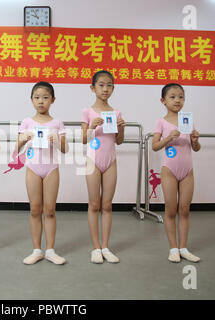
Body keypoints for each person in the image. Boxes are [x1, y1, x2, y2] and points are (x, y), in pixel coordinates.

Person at [17, 81, 69, 265]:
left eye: (45, 97)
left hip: (51, 169)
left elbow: (65, 150)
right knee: (34, 210)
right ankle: (36, 250)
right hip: (32, 168)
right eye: (37, 98)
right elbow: (16, 148)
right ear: (31, 100)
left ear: (52, 100)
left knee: (50, 210)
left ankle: (51, 250)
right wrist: (23, 139)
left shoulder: (57, 122)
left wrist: (57, 140)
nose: (41, 101)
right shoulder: (27, 122)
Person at [152, 83, 201, 263]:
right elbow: (155, 146)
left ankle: (184, 248)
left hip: (188, 171)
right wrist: (168, 138)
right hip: (169, 171)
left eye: (180, 96)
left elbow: (195, 148)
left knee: (185, 210)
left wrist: (195, 140)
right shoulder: (161, 122)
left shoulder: (188, 120)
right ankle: (173, 248)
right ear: (163, 101)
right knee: (171, 210)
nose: (177, 100)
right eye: (172, 97)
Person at [81, 70, 125, 264]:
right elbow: (84, 139)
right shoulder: (88, 111)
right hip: (92, 160)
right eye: (101, 85)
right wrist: (91, 127)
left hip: (110, 161)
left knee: (107, 205)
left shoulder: (116, 113)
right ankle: (95, 247)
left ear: (113, 88)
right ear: (93, 88)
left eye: (109, 85)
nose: (105, 89)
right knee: (94, 204)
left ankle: (106, 246)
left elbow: (119, 141)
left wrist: (121, 127)